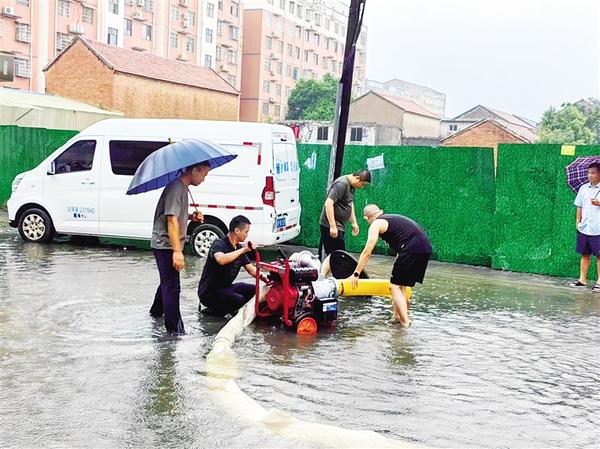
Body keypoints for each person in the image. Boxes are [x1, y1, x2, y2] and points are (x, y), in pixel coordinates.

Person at [149, 163, 210, 334]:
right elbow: (171, 220)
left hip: (170, 244)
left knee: (167, 282)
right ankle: (175, 331)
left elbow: (175, 214)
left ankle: (155, 313)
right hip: (166, 245)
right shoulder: (176, 188)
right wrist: (177, 251)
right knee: (172, 286)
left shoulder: (182, 188)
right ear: (194, 170)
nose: (204, 179)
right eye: (204, 174)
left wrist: (191, 217)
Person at [349, 204, 432, 327]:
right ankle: (396, 317)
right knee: (401, 285)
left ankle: (405, 322)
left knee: (394, 286)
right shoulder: (391, 219)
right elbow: (405, 235)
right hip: (424, 248)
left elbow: (367, 252)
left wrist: (356, 273)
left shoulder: (376, 224)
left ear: (366, 218)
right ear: (380, 212)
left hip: (411, 249)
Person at [198, 215, 268, 316]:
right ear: (237, 231)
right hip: (209, 292)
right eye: (246, 232)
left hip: (226, 288)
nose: (247, 235)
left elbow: (252, 270)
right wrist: (243, 250)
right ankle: (213, 312)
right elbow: (221, 260)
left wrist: (265, 278)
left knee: (255, 290)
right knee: (238, 300)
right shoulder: (219, 244)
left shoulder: (238, 248)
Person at [319, 169, 371, 258]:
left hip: (339, 226)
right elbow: (328, 203)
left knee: (338, 255)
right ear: (357, 178)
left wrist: (354, 222)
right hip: (331, 225)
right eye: (362, 184)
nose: (362, 187)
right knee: (336, 256)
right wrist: (333, 226)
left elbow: (349, 203)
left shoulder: (351, 185)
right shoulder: (342, 184)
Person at [569, 162, 600, 292]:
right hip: (584, 227)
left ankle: (599, 282)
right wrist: (578, 222)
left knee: (599, 256)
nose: (590, 175)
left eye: (593, 173)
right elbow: (579, 206)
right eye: (588, 173)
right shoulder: (583, 188)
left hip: (598, 229)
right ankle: (582, 280)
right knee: (584, 254)